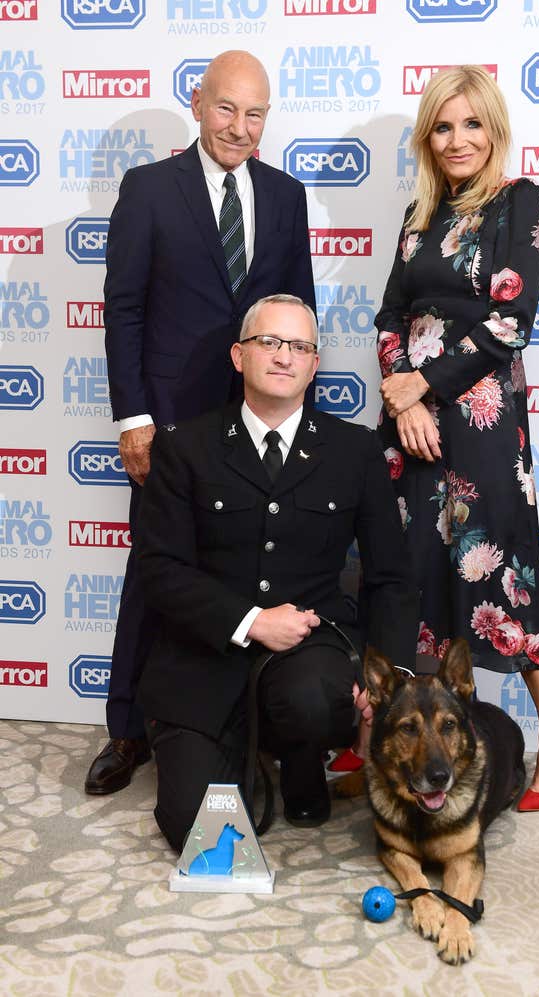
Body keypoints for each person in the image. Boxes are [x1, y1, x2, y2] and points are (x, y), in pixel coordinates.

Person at [85, 51, 316, 796]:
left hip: (258, 418)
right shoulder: (150, 189)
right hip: (171, 422)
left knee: (249, 567)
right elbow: (122, 309)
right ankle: (127, 728)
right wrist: (134, 418)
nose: (240, 128)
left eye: (256, 114)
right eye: (226, 109)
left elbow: (298, 309)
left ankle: (238, 725)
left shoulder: (285, 195)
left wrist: (296, 411)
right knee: (155, 571)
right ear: (197, 102)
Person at [133, 294, 418, 848]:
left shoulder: (354, 450)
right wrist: (251, 620)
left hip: (309, 655)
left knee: (313, 697)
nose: (284, 356)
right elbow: (159, 569)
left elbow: (392, 578)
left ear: (314, 365)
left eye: (300, 346)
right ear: (239, 356)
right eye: (269, 342)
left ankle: (302, 759)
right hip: (203, 660)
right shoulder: (184, 447)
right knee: (198, 831)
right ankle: (233, 750)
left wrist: (393, 685)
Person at [372, 65, 539, 812]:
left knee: (507, 573)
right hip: (414, 426)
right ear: (428, 137)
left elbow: (509, 323)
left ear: (492, 129)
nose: (456, 139)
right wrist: (403, 400)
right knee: (414, 573)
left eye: (471, 123)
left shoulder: (522, 202)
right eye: (442, 125)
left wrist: (424, 386)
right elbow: (389, 319)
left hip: (484, 419)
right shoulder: (418, 213)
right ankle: (408, 738)